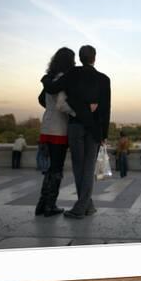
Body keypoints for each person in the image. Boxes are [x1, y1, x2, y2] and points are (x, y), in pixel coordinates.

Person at [42, 45, 111, 219]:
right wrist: (104, 135)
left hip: (75, 126)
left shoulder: (72, 74)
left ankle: (82, 207)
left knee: (78, 168)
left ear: (80, 58)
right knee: (88, 169)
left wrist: (44, 78)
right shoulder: (104, 79)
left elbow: (52, 88)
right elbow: (105, 109)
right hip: (95, 129)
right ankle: (86, 205)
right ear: (94, 57)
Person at [35, 47, 77, 217]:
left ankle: (42, 204)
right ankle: (50, 206)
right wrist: (76, 113)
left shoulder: (50, 79)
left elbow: (42, 100)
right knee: (57, 169)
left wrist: (50, 111)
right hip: (59, 130)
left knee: (51, 169)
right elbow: (62, 104)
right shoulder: (62, 79)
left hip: (46, 127)